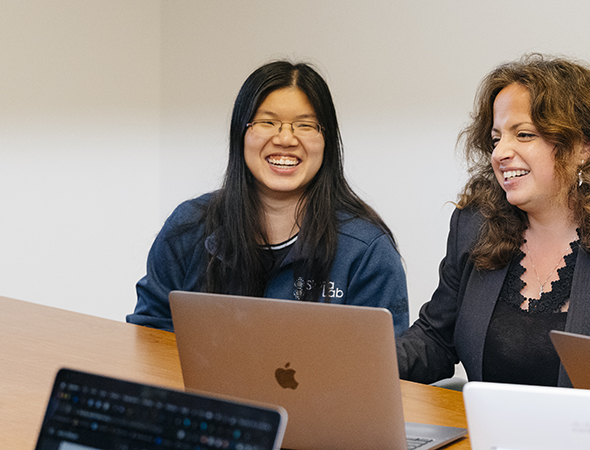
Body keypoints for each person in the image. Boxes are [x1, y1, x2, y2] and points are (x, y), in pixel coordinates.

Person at [396, 53, 590, 387]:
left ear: (582, 147)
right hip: (490, 435)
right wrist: (363, 363)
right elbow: (436, 339)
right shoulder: (474, 226)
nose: (500, 153)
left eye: (523, 135)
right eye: (497, 138)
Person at [128, 61, 409, 335]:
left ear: (327, 141)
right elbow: (149, 336)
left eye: (305, 125)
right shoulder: (189, 227)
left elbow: (378, 368)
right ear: (241, 133)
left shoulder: (366, 250)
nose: (285, 139)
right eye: (267, 122)